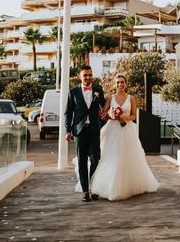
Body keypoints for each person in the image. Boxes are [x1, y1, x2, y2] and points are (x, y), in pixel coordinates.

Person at [90, 73, 159, 201]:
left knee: (127, 157)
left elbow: (134, 115)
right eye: (118, 82)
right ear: (115, 85)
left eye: (122, 82)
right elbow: (103, 114)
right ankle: (110, 187)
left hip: (127, 130)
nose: (120, 84)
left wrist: (124, 118)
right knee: (111, 157)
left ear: (126, 84)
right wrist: (111, 114)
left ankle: (128, 186)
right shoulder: (111, 98)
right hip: (112, 130)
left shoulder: (131, 98)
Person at [65, 65, 106, 202]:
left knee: (95, 158)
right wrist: (68, 131)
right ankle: (85, 191)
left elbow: (105, 108)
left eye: (90, 75)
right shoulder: (73, 92)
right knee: (82, 161)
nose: (88, 77)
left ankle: (92, 185)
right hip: (79, 131)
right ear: (80, 77)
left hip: (94, 130)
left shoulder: (98, 90)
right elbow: (68, 113)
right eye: (85, 75)